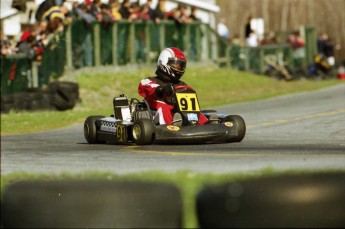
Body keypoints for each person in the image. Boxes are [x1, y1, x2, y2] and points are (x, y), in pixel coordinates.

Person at [138, 47, 209, 125]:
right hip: (154, 113)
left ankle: (206, 125)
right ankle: (170, 127)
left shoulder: (181, 84)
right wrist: (160, 89)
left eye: (181, 66)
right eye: (176, 65)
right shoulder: (151, 80)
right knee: (163, 107)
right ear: (164, 62)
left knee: (194, 109)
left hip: (177, 112)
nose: (179, 69)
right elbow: (144, 87)